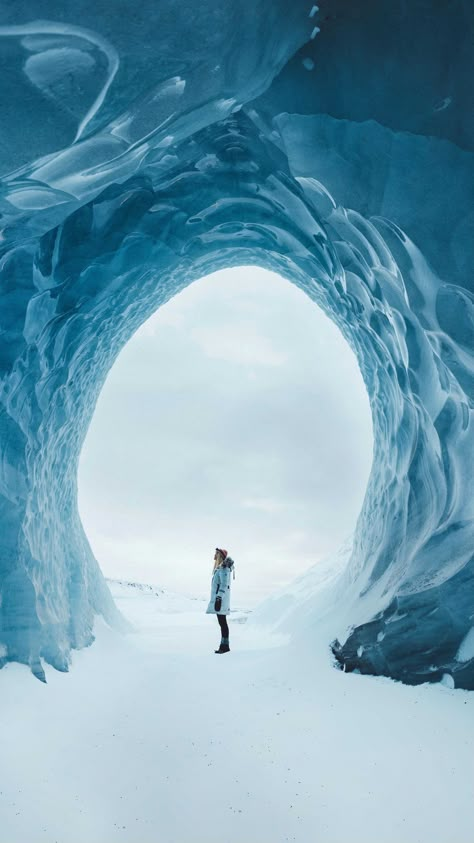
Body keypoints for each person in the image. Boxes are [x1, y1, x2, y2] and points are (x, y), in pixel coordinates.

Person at [206, 547, 234, 653]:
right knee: (222, 623)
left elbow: (224, 585)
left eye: (216, 554)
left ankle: (225, 646)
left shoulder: (223, 569)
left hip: (221, 601)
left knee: (223, 623)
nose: (214, 556)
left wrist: (219, 598)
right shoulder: (220, 569)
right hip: (220, 601)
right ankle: (224, 645)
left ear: (220, 556)